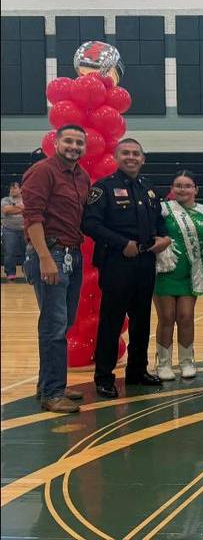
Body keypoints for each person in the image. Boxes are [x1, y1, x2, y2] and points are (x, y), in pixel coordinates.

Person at [83, 138, 172, 398]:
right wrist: (122, 243)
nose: (131, 157)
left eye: (136, 154)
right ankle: (104, 377)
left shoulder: (149, 189)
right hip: (117, 262)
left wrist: (164, 238)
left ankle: (137, 371)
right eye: (126, 153)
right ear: (116, 157)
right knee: (112, 321)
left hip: (145, 262)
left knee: (141, 320)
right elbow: (89, 224)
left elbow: (159, 222)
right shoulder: (103, 188)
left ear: (143, 159)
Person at [21, 125, 90, 413]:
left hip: (72, 254)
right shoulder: (43, 171)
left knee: (62, 322)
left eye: (79, 143)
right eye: (69, 141)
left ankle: (49, 384)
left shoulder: (82, 177)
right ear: (56, 142)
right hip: (51, 254)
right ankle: (52, 393)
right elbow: (32, 216)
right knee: (54, 326)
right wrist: (45, 257)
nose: (74, 146)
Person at [152, 170, 203, 380]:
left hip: (191, 272)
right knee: (167, 317)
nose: (182, 189)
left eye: (187, 185)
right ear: (172, 189)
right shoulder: (163, 209)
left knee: (186, 317)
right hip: (166, 270)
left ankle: (187, 360)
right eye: (178, 185)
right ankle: (163, 362)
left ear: (196, 189)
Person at [2, 181, 26, 281]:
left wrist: (14, 207)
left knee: (28, 252)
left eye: (15, 188)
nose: (12, 190)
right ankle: (10, 273)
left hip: (25, 230)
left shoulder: (26, 199)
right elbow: (6, 210)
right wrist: (21, 208)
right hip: (9, 230)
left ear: (20, 190)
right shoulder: (5, 199)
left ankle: (27, 272)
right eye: (11, 188)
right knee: (10, 252)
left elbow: (29, 208)